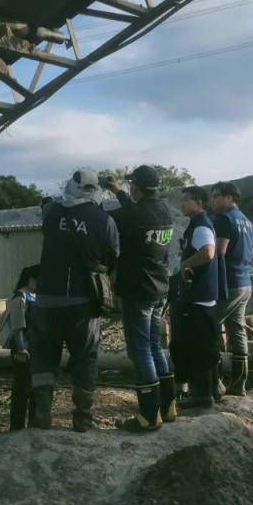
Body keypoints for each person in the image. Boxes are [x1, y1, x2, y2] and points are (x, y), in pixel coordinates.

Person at [29, 169, 119, 432]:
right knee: (85, 357)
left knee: (44, 357)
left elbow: (45, 204)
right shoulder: (104, 220)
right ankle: (82, 418)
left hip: (46, 299)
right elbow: (112, 258)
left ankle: (42, 415)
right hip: (83, 302)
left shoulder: (52, 213)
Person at [104, 166, 176, 432]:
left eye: (131, 185)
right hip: (159, 289)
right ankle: (168, 408)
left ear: (138, 187)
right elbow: (134, 212)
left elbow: (104, 218)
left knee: (140, 351)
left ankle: (148, 416)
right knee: (156, 347)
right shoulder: (164, 211)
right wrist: (116, 191)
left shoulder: (133, 215)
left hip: (138, 290)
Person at [171, 185, 226, 408]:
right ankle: (213, 388)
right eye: (182, 200)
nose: (182, 204)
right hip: (203, 297)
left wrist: (185, 263)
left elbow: (208, 252)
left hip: (198, 298)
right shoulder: (197, 225)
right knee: (207, 345)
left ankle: (202, 395)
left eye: (186, 200)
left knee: (198, 347)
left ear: (199, 203)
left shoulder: (201, 226)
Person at [209, 181, 253, 396]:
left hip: (229, 284)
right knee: (237, 330)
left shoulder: (225, 220)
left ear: (229, 198)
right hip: (245, 282)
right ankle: (239, 384)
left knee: (208, 327)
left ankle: (214, 382)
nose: (212, 201)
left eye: (216, 196)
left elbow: (219, 254)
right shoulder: (247, 221)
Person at [0, 265, 41, 430]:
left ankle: (33, 422)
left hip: (35, 347)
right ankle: (16, 425)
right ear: (29, 279)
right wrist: (22, 349)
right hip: (22, 348)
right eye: (37, 279)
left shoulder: (34, 296)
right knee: (22, 388)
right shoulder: (20, 298)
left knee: (35, 387)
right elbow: (18, 327)